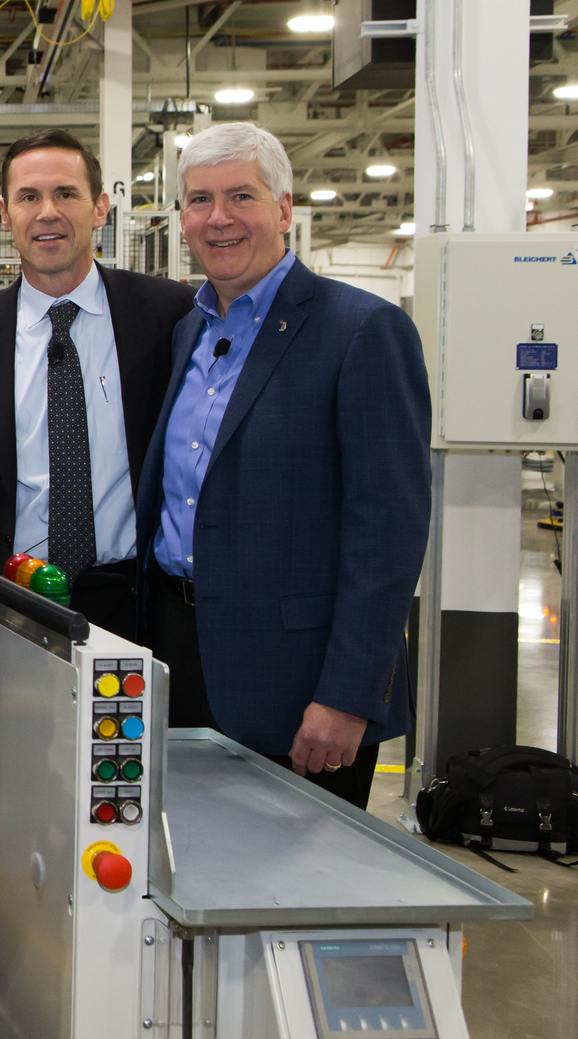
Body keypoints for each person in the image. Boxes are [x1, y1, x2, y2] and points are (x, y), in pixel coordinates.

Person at [136, 121, 429, 809]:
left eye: (241, 195)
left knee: (290, 899)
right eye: (200, 200)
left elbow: (387, 531)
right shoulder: (190, 331)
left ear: (285, 207)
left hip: (300, 686)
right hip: (183, 658)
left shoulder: (360, 331)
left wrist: (348, 695)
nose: (219, 218)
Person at [0, 129, 193, 681]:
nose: (47, 213)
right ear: (6, 213)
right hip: (0, 601)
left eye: (66, 194)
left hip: (134, 603)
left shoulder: (168, 316)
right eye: (29, 197)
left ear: (99, 208)